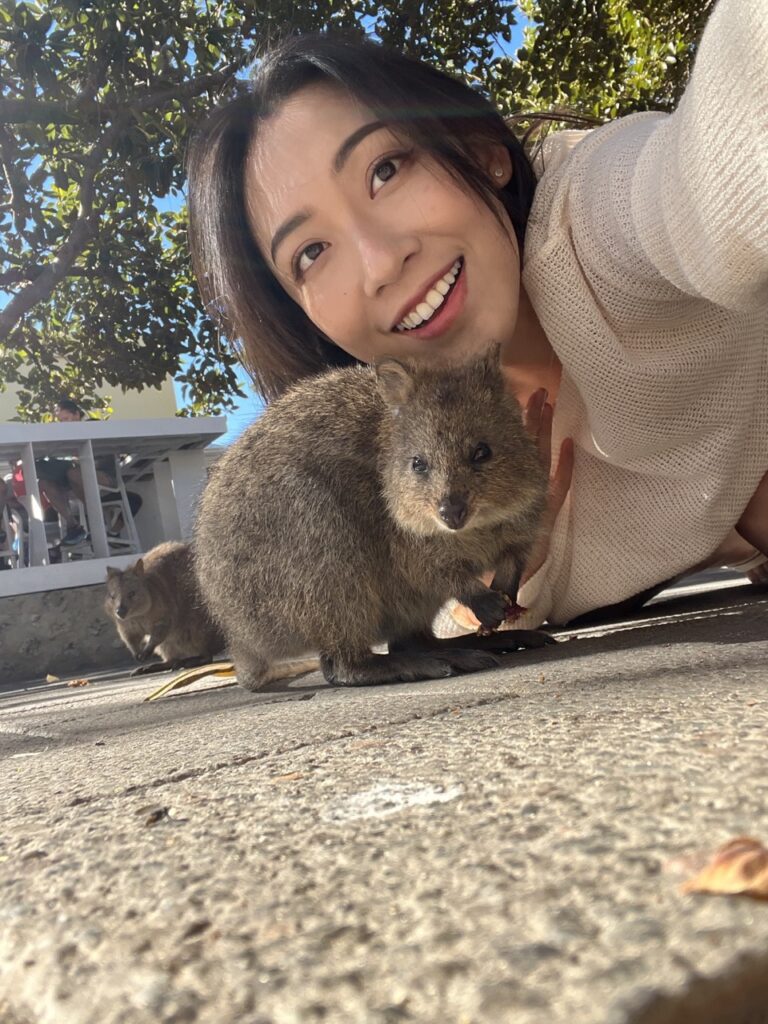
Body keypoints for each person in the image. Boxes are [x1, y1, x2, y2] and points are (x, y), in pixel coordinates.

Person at [186, 0, 768, 630]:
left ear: (484, 151)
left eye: (385, 170)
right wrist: (495, 588)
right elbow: (441, 617)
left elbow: (702, 167)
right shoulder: (397, 466)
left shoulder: (586, 229)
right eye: (312, 253)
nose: (380, 262)